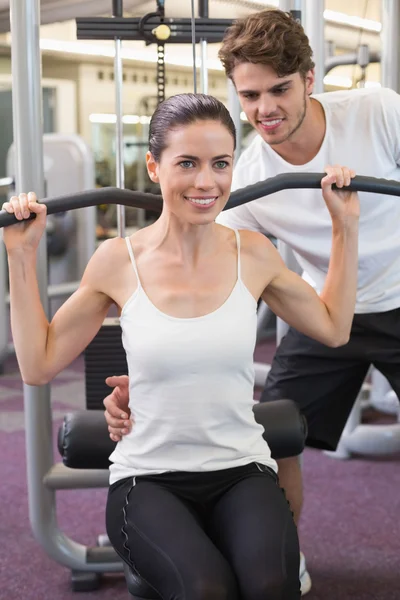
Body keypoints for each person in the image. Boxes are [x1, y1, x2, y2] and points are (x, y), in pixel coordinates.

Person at [3, 93, 358, 600]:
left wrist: (345, 228)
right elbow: (38, 365)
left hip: (241, 469)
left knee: (271, 586)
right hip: (148, 479)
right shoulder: (116, 261)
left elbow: (333, 328)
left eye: (220, 164)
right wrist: (20, 258)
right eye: (187, 163)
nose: (206, 182)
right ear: (154, 165)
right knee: (205, 590)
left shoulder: (253, 254)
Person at [103, 8, 400, 597]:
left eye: (280, 90)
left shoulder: (377, 111)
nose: (265, 109)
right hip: (323, 306)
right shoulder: (245, 177)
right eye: (251, 94)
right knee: (278, 433)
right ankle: (288, 552)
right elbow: (196, 266)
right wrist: (159, 375)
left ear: (310, 79)